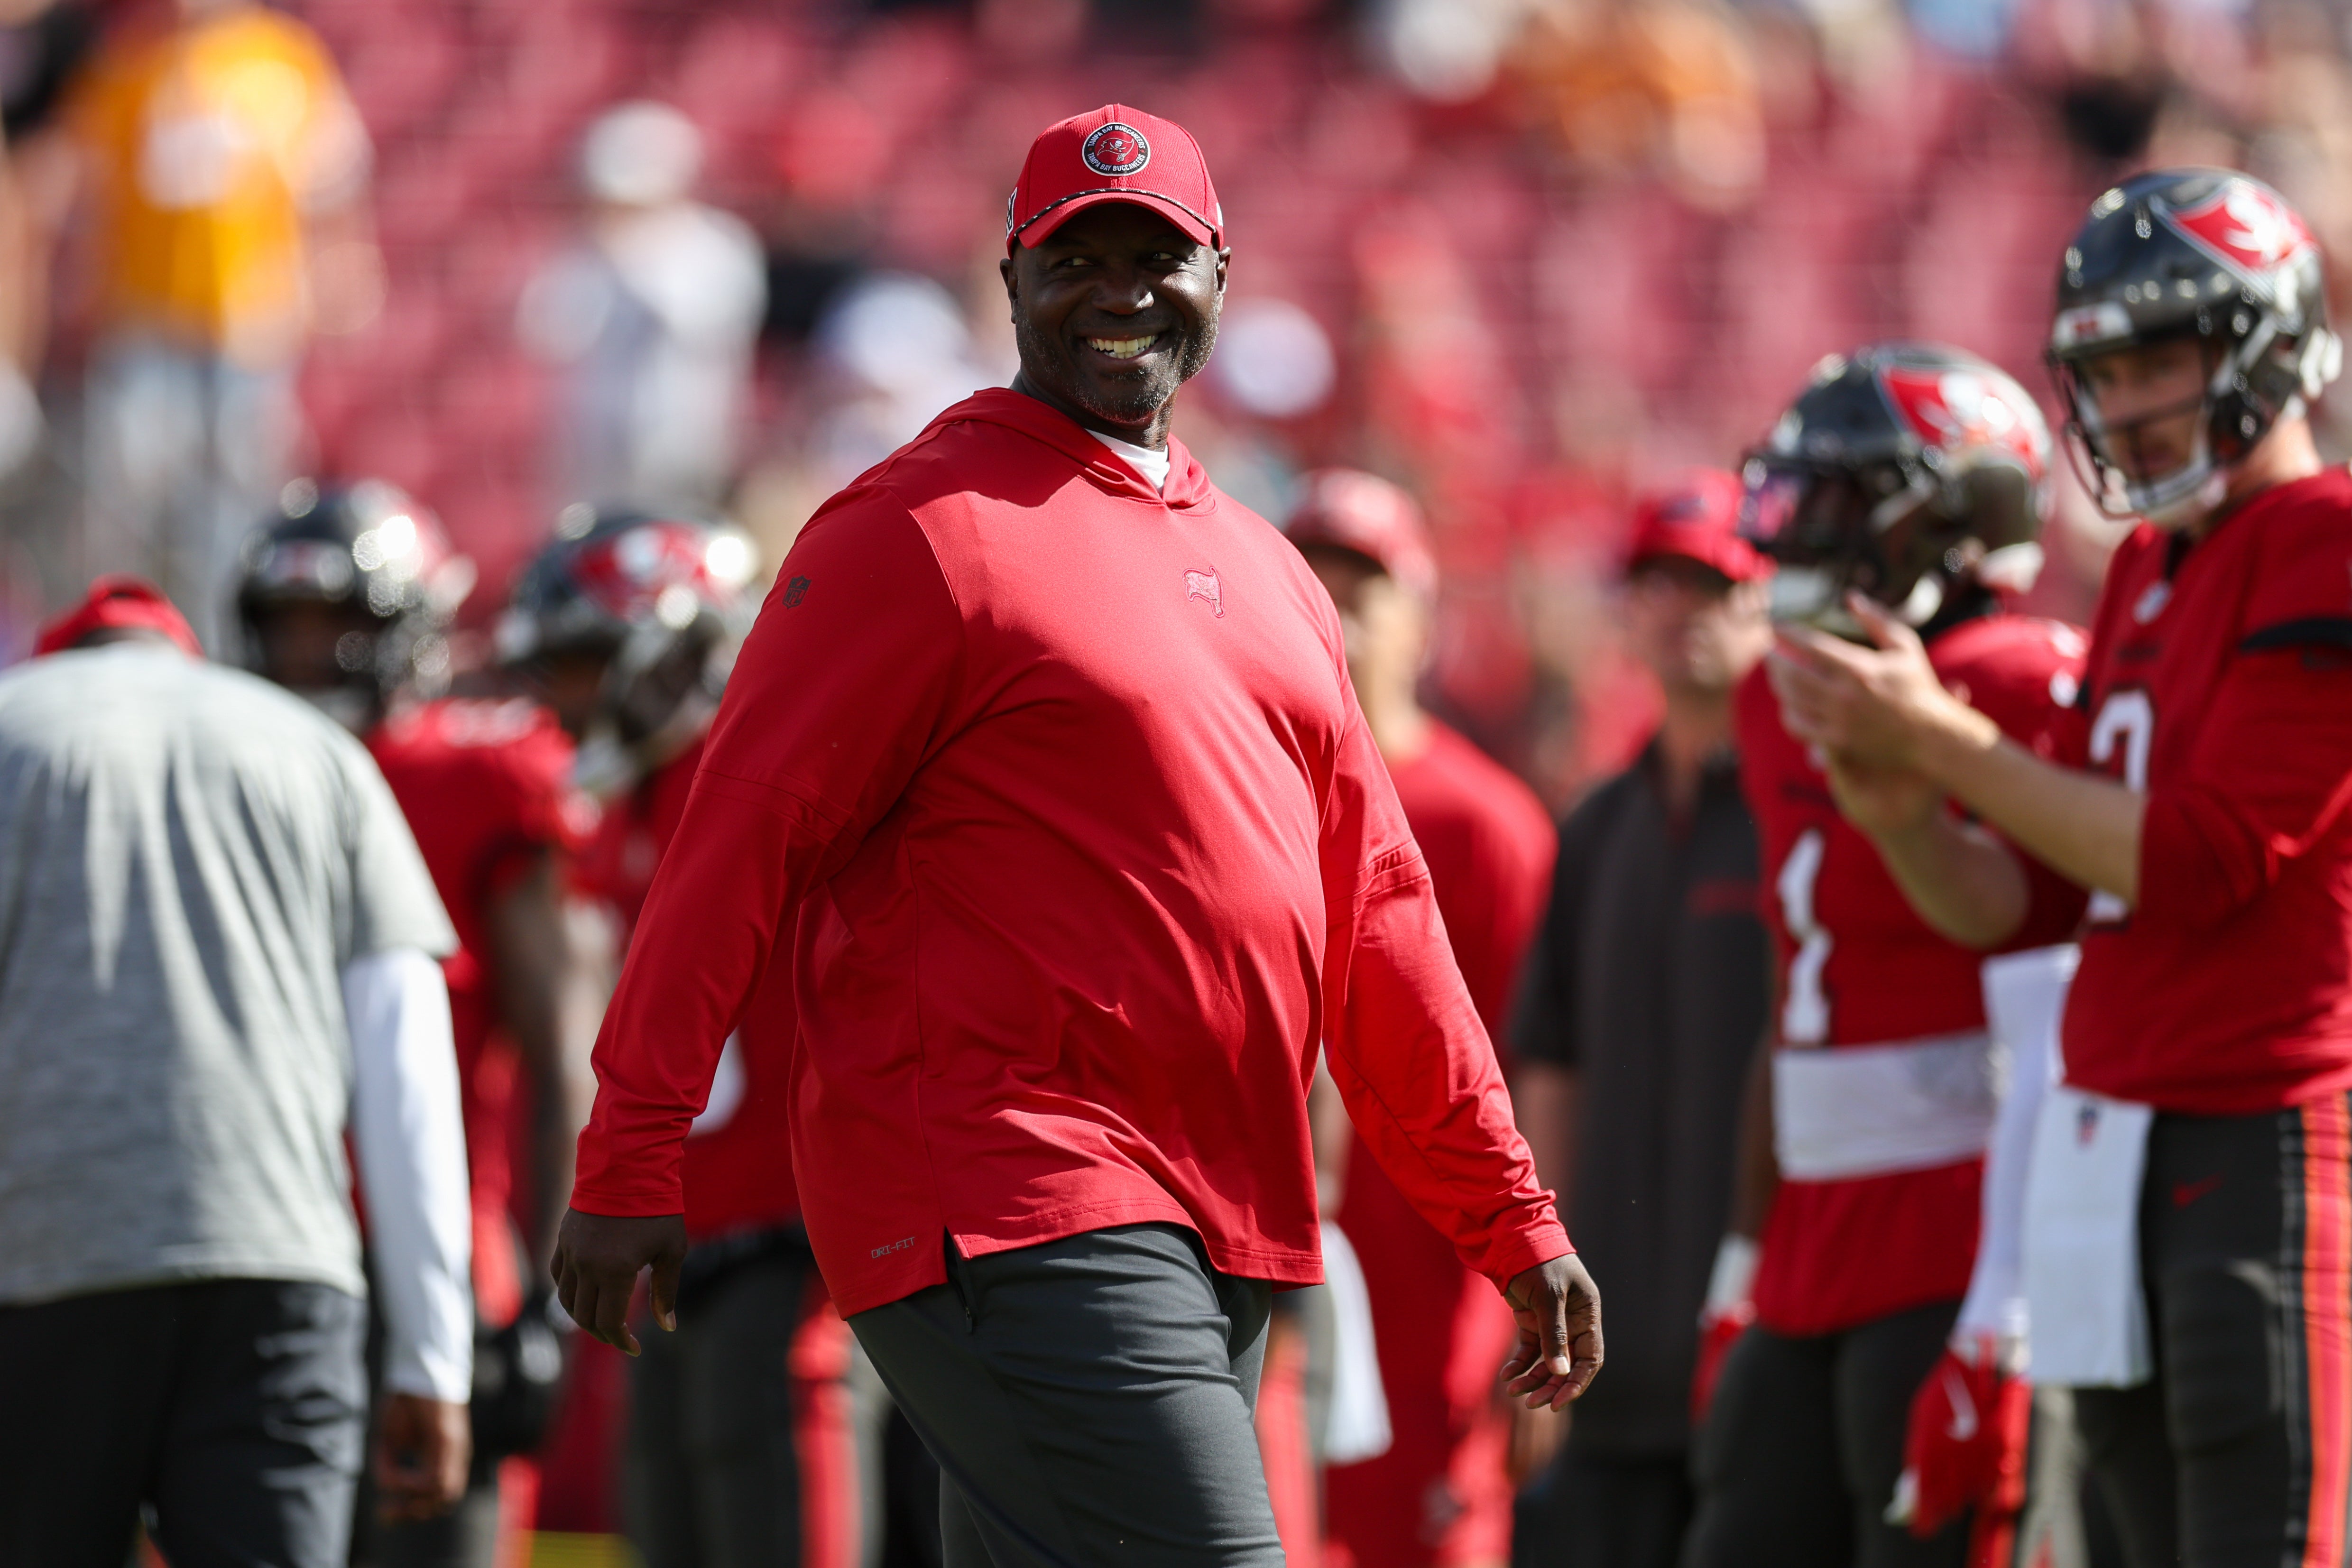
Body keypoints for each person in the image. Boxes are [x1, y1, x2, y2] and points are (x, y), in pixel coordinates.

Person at [550, 103, 1600, 1568]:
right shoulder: (914, 530)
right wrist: (630, 1153)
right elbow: (739, 844)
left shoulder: (1274, 570)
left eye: (1157, 256)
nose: (1122, 291)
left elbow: (1380, 915)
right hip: (1009, 1190)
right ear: (1013, 284)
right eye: (1078, 257)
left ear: (1221, 276)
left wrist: (1511, 1216)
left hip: (1220, 1210)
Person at [1765, 168, 2352, 1568]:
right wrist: (1893, 789)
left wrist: (1947, 739)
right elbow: (2022, 901)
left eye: (2160, 356)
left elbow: (2204, 861)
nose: (2130, 401)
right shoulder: (2152, 563)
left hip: (2256, 1131)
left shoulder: (2322, 536)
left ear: (2269, 340)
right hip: (2111, 1143)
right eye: (2106, 368)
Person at [1681, 342, 2089, 1568]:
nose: (1798, 526)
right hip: (1808, 1230)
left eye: (1842, 497)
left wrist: (2003, 1306)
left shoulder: (2021, 683)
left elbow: (2018, 947)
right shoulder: (1771, 697)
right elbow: (1789, 992)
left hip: (1952, 1225)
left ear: (1947, 521)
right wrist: (1737, 1260)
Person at [0, 574, 472, 1566]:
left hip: (41, 1270)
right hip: (280, 1267)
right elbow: (409, 1064)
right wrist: (435, 1355)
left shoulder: (11, 729)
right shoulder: (317, 750)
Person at [233, 480, 606, 1567]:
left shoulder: (473, 775)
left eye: (340, 626)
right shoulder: (238, 769)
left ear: (408, 629)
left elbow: (561, 1057)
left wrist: (542, 1306)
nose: (312, 655)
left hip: (435, 1260)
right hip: (263, 1250)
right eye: (289, 626)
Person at [500, 507, 839, 1568]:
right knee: (669, 1507)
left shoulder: (750, 775)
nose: (568, 696)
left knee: (764, 1487)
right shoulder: (631, 801)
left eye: (590, 661)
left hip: (794, 1226)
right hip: (683, 1228)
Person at [1283, 468, 1559, 1568]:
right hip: (1263, 1294)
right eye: (1311, 585)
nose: (1337, 619)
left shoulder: (1487, 826)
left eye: (1366, 590)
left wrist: (1530, 1312)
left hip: (1434, 1317)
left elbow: (1536, 1087)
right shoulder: (1224, 799)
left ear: (1422, 620)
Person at [1508, 470, 1774, 1568]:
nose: (1683, 609)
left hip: (1758, 1356)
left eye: (1712, 582)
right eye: (1657, 582)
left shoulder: (1801, 809)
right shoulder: (1598, 827)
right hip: (1610, 1363)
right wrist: (1537, 1296)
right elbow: (1553, 1070)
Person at [57, 0, 379, 647]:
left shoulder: (281, 60)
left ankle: (231, 640)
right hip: (146, 315)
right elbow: (92, 193)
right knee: (132, 481)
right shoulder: (131, 63)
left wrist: (345, 264)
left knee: (238, 492)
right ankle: (129, 631)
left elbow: (331, 182)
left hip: (249, 320)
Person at [517, 102, 767, 515]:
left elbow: (696, 326)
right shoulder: (587, 255)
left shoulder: (717, 247)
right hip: (593, 446)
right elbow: (547, 334)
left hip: (682, 446)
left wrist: (635, 261)